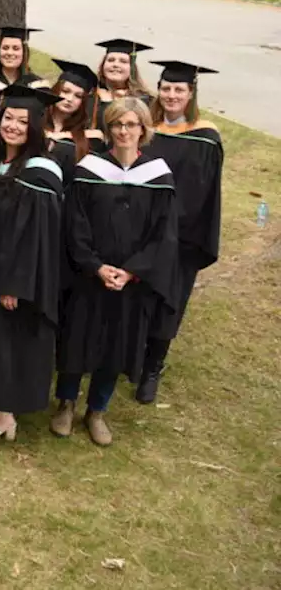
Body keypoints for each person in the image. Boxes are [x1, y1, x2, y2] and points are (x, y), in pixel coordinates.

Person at [53, 97, 178, 446]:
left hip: (130, 284)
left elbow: (163, 236)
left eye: (131, 125)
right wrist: (95, 265)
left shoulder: (159, 177)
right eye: (117, 125)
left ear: (143, 129)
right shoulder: (90, 169)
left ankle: (97, 410)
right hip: (88, 277)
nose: (124, 131)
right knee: (78, 341)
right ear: (108, 130)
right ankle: (65, 403)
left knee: (116, 346)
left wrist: (131, 271)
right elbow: (74, 225)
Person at [0, 86, 65, 443]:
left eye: (23, 121)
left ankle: (3, 416)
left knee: (5, 343)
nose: (13, 126)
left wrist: (15, 284)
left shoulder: (40, 174)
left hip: (13, 278)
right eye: (9, 118)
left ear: (35, 128)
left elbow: (37, 239)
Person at [141, 61, 223, 404]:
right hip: (141, 231)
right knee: (138, 297)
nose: (171, 95)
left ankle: (152, 368)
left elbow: (205, 195)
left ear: (191, 94)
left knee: (166, 301)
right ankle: (130, 358)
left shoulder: (205, 139)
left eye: (179, 90)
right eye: (166, 88)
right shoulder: (147, 128)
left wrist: (176, 233)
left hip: (180, 236)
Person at [45, 59, 105, 170]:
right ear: (56, 90)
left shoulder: (84, 136)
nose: (70, 99)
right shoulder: (37, 119)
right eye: (65, 91)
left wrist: (60, 136)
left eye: (78, 96)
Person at [89, 38, 153, 129]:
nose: (115, 65)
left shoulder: (144, 100)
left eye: (123, 61)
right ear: (103, 65)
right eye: (110, 60)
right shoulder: (90, 94)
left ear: (132, 69)